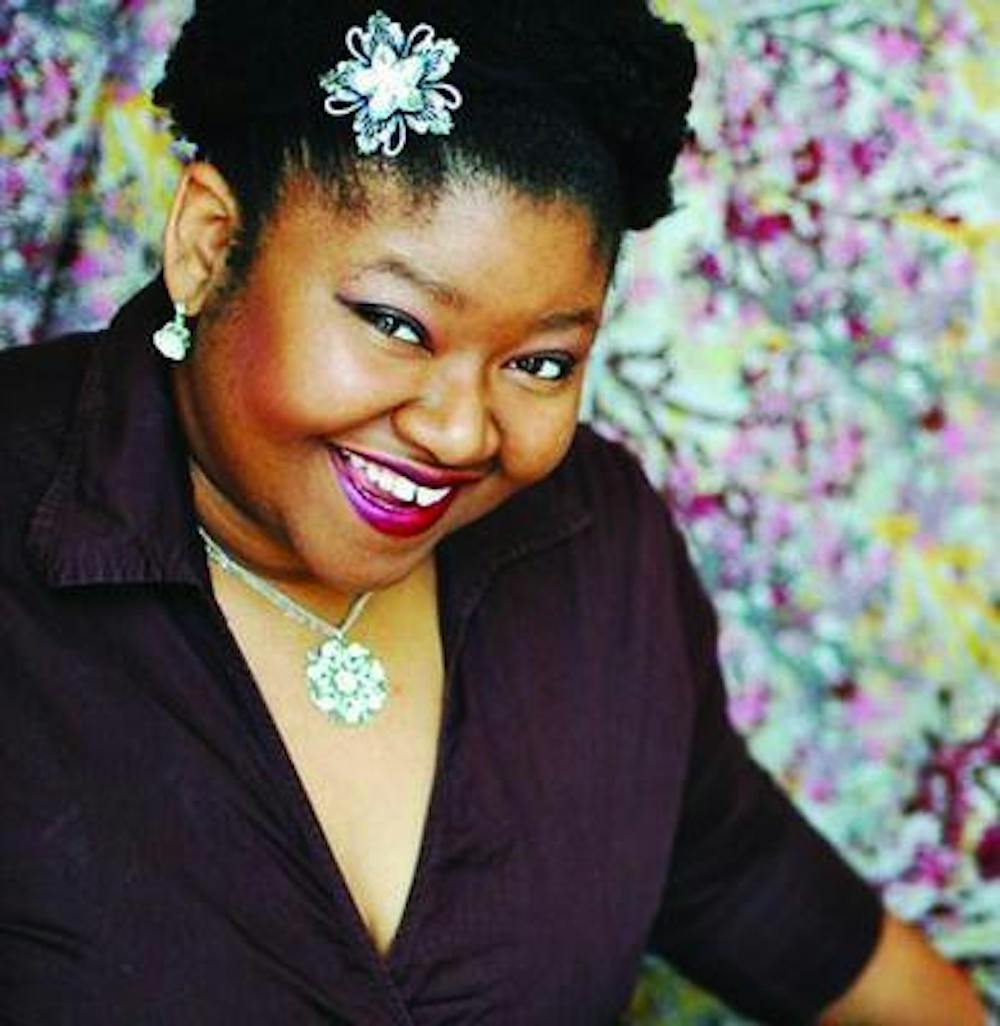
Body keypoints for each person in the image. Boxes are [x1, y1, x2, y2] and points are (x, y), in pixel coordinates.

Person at [0, 2, 986, 1023]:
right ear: (210, 247)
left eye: (541, 363)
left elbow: (766, 896)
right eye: (395, 324)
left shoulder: (596, 551)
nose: (461, 432)